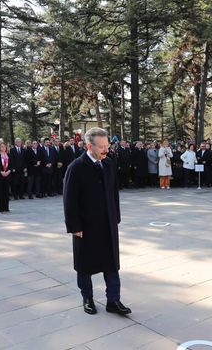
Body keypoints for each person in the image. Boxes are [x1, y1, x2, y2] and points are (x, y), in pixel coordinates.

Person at [63, 127, 131, 316]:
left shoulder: (108, 164)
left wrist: (115, 216)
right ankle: (87, 298)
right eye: (101, 146)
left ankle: (113, 300)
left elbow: (114, 193)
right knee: (85, 265)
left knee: (111, 263)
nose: (105, 149)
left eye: (106, 145)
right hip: (86, 226)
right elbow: (69, 200)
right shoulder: (76, 167)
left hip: (108, 224)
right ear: (88, 146)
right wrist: (74, 226)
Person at [0, 141, 13, 212]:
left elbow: (12, 165)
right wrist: (1, 172)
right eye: (1, 147)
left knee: (6, 192)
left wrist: (8, 171)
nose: (3, 148)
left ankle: (6, 207)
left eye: (4, 147)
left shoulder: (9, 155)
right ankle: (0, 207)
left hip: (7, 175)